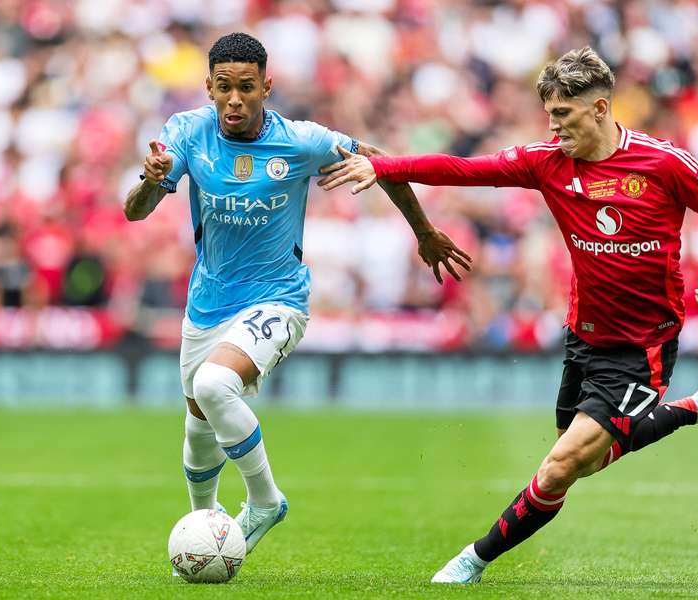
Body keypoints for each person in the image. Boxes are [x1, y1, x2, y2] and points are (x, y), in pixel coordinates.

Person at [319, 46, 698, 583]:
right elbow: (462, 169)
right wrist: (382, 165)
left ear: (599, 109)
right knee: (584, 457)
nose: (553, 126)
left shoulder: (662, 163)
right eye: (549, 114)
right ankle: (695, 408)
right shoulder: (547, 162)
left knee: (559, 469)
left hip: (642, 349)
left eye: (563, 114)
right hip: (583, 336)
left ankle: (471, 561)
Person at [123, 32, 471, 567]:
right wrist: (148, 183)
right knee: (197, 426)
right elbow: (135, 210)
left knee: (215, 386)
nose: (234, 99)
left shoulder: (302, 141)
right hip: (207, 303)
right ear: (208, 88)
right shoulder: (187, 133)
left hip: (278, 299)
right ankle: (206, 528)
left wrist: (423, 232)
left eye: (245, 87)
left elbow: (378, 163)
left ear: (267, 85)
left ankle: (265, 501)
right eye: (223, 88)